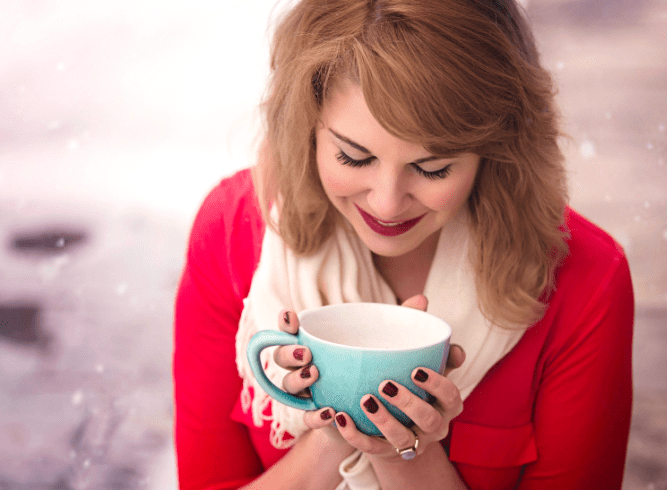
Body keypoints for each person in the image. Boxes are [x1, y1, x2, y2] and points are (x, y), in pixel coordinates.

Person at [173, 0, 634, 488]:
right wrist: (338, 424)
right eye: (353, 158)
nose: (387, 204)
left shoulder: (586, 280)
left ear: (498, 150)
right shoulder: (231, 232)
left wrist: (405, 456)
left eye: (433, 168)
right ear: (306, 125)